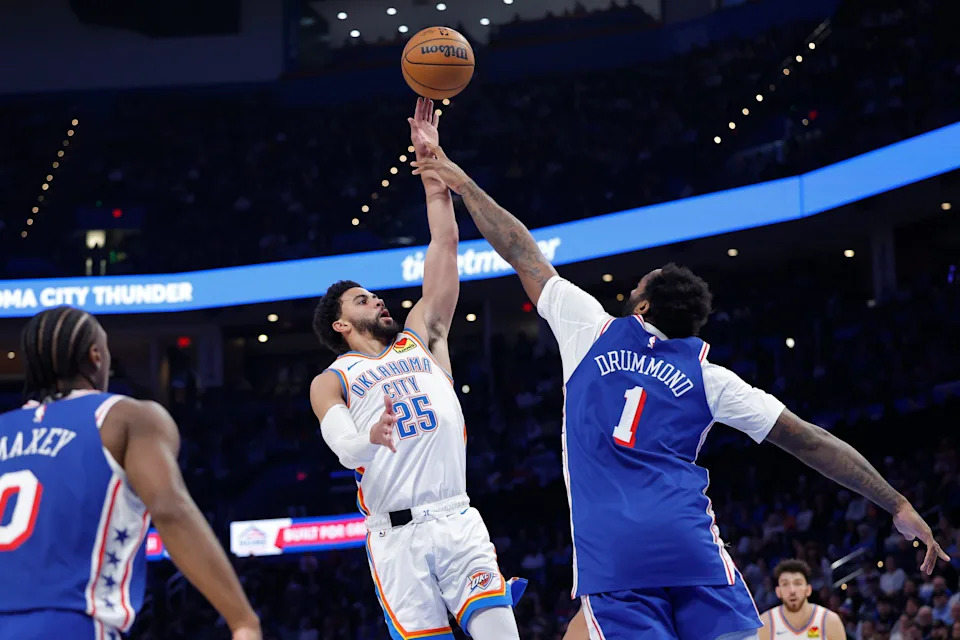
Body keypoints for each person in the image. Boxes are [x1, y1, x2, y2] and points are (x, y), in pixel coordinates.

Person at [409, 139, 949, 640]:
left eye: (638, 285)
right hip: (692, 550)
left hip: (615, 561)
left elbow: (519, 248)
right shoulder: (711, 377)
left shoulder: (590, 329)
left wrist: (459, 181)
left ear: (641, 308)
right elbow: (809, 441)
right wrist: (896, 501)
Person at [310, 99, 523, 640]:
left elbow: (444, 244)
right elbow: (340, 444)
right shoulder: (333, 379)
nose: (376, 302)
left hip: (455, 517)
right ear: (340, 325)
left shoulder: (421, 336)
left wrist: (433, 174)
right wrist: (367, 439)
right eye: (362, 301)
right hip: (393, 538)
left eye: (374, 296)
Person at [0, 306, 260, 639]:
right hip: (70, 623)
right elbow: (170, 509)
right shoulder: (123, 416)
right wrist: (242, 620)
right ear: (96, 356)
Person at [758, 559, 845, 639]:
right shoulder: (766, 624)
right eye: (785, 584)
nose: (792, 591)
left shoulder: (830, 621)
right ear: (778, 592)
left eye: (797, 583)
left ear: (808, 590)